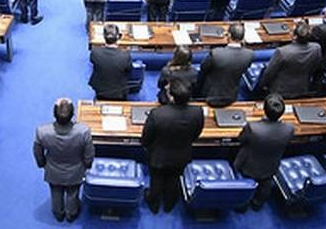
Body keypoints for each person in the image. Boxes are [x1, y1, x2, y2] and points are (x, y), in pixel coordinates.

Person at [141, 79, 204, 213]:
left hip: (158, 155)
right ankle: (169, 204)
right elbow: (196, 133)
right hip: (182, 154)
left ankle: (154, 205)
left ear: (171, 96)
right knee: (174, 178)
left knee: (156, 179)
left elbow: (146, 137)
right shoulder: (198, 112)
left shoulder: (157, 114)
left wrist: (146, 146)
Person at [33, 98, 95, 222]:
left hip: (53, 170)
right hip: (75, 171)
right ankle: (71, 214)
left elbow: (37, 152)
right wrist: (87, 165)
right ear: (73, 114)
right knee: (73, 192)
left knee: (56, 191)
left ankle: (58, 213)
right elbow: (89, 153)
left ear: (54, 114)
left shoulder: (42, 132)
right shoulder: (83, 131)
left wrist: (42, 164)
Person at [232, 94, 294, 211]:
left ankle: (242, 206)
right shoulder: (289, 128)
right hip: (271, 164)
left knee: (245, 183)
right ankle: (257, 204)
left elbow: (241, 140)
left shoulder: (253, 127)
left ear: (264, 109)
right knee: (265, 184)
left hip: (248, 164)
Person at [257, 20, 323, 98]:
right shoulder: (316, 48)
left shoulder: (282, 52)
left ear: (295, 36)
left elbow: (269, 73)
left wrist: (261, 86)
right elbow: (315, 67)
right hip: (302, 88)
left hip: (279, 91)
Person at [197, 23, 254, 107]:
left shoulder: (216, 53)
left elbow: (203, 68)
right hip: (231, 96)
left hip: (210, 95)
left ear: (229, 35)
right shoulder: (249, 55)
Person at [88, 24, 131, 100]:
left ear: (104, 37)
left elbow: (93, 62)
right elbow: (129, 70)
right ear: (118, 37)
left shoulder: (95, 52)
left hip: (100, 90)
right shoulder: (125, 56)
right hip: (119, 91)